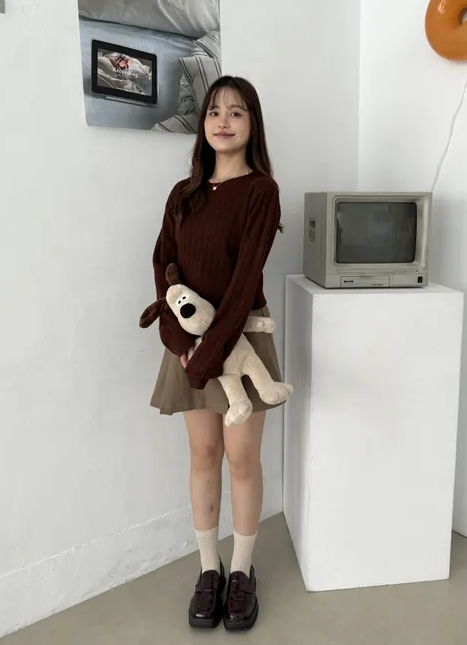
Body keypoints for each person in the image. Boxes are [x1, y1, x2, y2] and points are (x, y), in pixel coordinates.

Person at [149, 76, 284, 632]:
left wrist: (208, 355)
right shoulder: (182, 195)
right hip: (188, 345)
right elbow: (164, 268)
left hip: (242, 337)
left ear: (253, 124)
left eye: (237, 111)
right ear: (203, 123)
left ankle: (243, 572)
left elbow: (245, 279)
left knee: (242, 459)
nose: (223, 121)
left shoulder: (261, 191)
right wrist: (183, 345)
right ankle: (210, 569)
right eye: (214, 111)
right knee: (203, 456)